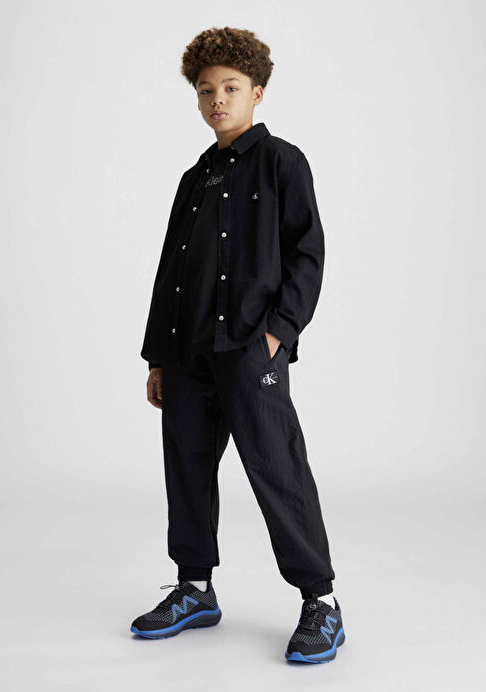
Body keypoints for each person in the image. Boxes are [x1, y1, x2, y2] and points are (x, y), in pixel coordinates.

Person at [130, 26, 345, 664]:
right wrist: (158, 356)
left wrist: (280, 332)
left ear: (257, 92)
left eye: (230, 87)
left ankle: (321, 602)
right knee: (187, 469)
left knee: (278, 468)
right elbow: (171, 269)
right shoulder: (193, 178)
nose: (217, 100)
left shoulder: (283, 163)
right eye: (205, 90)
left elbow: (307, 253)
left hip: (253, 348)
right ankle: (195, 589)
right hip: (188, 351)